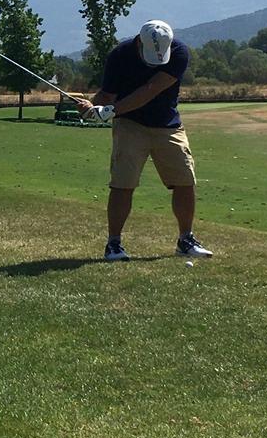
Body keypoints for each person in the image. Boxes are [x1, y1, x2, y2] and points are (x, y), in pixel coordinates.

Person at [74, 19, 211, 261]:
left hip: (168, 124)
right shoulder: (120, 55)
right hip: (130, 125)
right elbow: (107, 94)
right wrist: (93, 108)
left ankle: (185, 240)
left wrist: (111, 110)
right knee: (123, 183)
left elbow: (151, 90)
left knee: (185, 180)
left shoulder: (179, 53)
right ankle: (114, 245)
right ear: (139, 41)